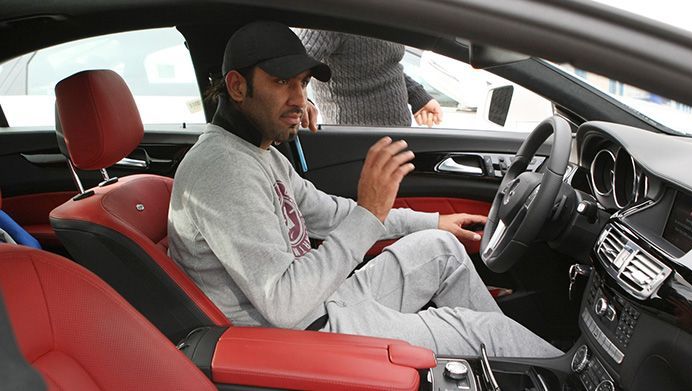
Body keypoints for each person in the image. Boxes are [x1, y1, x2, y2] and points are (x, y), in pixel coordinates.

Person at [168, 21, 561, 358]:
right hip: (305, 336)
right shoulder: (221, 170)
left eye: (302, 84)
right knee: (487, 334)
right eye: (281, 82)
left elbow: (331, 213)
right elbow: (285, 304)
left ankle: (510, 367)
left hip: (325, 302)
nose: (299, 99)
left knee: (441, 250)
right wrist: (369, 214)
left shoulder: (260, 154)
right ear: (237, 87)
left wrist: (433, 222)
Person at [295, 28, 443, 127]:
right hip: (356, 143)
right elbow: (292, 61)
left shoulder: (386, 12)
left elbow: (381, 65)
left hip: (393, 136)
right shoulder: (335, 12)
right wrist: (300, 100)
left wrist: (417, 95)